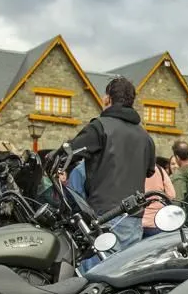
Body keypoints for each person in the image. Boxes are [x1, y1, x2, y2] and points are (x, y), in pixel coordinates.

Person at [66, 76, 156, 253]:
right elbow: (149, 171)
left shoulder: (100, 127)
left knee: (96, 274)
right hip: (134, 218)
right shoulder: (145, 137)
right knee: (127, 274)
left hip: (104, 214)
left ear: (107, 98)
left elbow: (70, 152)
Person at [142, 157, 177, 238]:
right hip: (157, 221)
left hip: (136, 222)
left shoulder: (132, 169)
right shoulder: (159, 170)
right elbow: (171, 195)